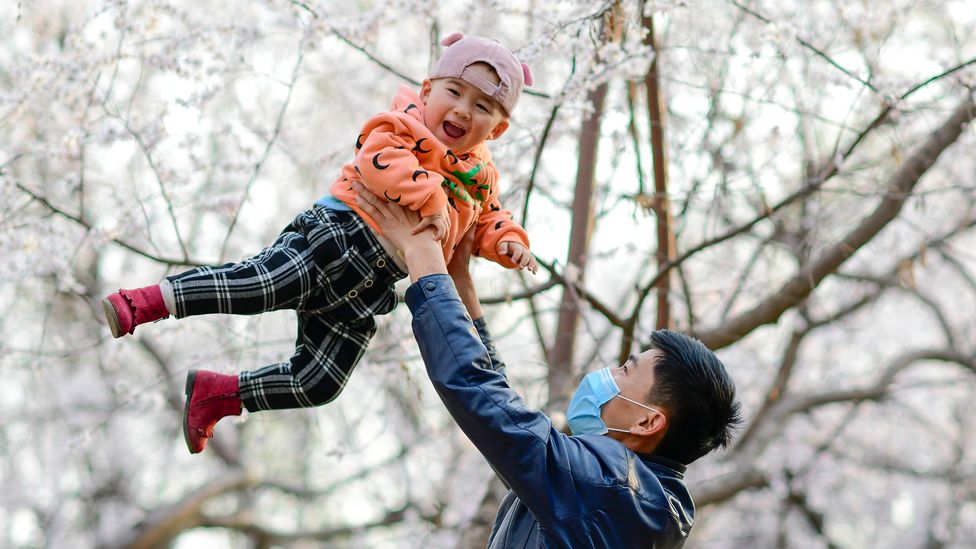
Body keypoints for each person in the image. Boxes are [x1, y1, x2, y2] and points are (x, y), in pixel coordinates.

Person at [100, 33, 538, 454]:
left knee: (320, 382)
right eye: (454, 93)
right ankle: (148, 301)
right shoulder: (403, 124)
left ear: (497, 131)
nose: (462, 111)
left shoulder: (480, 179)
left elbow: (488, 219)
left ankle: (221, 395)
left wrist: (509, 243)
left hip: (370, 289)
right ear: (426, 91)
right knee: (259, 286)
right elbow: (378, 159)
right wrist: (430, 194)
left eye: (481, 107)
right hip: (337, 239)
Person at [352, 181, 743, 547]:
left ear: (647, 422)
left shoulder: (612, 488)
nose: (609, 374)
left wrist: (424, 260)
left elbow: (485, 401)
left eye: (626, 369)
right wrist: (461, 286)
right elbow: (506, 422)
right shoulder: (629, 501)